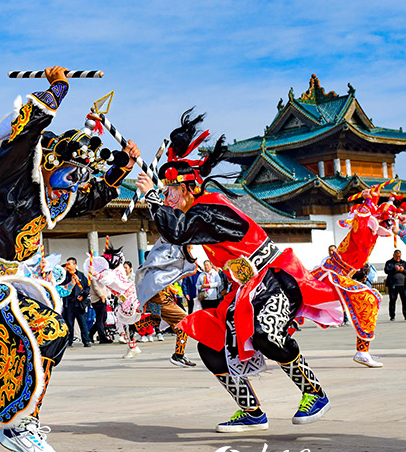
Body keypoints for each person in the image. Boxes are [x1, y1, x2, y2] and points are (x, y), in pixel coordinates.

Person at [0, 66, 137, 452]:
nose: (75, 184)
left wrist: (124, 163)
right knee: (47, 330)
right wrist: (58, 89)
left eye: (80, 176)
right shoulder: (8, 177)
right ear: (47, 161)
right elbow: (25, 135)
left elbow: (97, 197)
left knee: (45, 340)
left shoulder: (54, 197)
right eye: (71, 173)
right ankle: (20, 425)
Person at [135, 108, 342, 433]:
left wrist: (151, 197)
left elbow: (179, 231)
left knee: (265, 335)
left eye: (172, 190)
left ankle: (314, 392)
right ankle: (251, 411)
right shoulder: (201, 212)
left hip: (275, 278)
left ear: (188, 189)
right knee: (209, 343)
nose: (168, 196)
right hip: (245, 289)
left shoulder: (211, 209)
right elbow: (178, 234)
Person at [312, 187, 397, 368]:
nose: (390, 225)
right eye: (388, 221)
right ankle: (362, 352)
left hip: (339, 274)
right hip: (333, 274)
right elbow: (363, 216)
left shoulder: (373, 234)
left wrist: (372, 200)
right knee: (370, 299)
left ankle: (363, 351)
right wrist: (368, 201)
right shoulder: (363, 231)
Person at [60, 258, 92, 347]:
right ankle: (69, 341)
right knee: (69, 324)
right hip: (68, 303)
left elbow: (87, 287)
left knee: (83, 323)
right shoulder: (64, 276)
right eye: (67, 264)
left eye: (70, 264)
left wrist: (83, 295)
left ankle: (86, 341)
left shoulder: (81, 275)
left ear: (74, 265)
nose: (68, 266)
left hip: (79, 304)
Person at [384, 250, 406, 320]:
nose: (398, 258)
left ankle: (405, 315)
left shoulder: (403, 263)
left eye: (399, 256)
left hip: (403, 284)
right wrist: (394, 268)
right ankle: (392, 316)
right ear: (393, 255)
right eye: (396, 256)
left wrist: (403, 270)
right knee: (392, 300)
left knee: (405, 300)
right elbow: (386, 270)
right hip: (393, 284)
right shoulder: (389, 262)